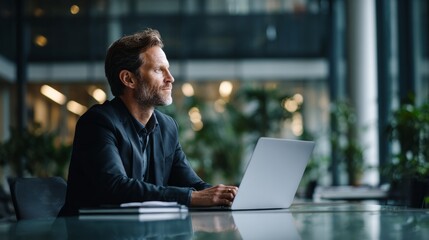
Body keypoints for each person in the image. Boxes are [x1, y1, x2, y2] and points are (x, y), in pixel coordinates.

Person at [59, 28, 238, 216]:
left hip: (141, 232)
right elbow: (114, 188)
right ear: (129, 79)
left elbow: (193, 185)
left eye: (167, 69)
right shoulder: (98, 123)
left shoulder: (167, 127)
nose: (170, 78)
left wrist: (227, 196)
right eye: (158, 70)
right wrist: (191, 197)